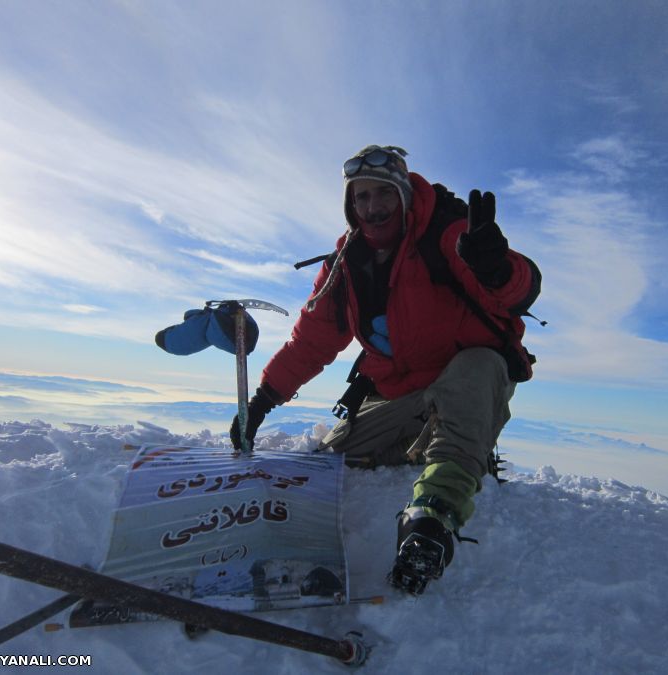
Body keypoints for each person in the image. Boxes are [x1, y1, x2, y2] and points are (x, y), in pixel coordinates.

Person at [230, 145, 541, 594]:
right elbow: (313, 339)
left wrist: (497, 268)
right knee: (340, 457)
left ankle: (433, 515)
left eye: (383, 194)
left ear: (403, 195)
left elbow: (514, 293)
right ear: (350, 205)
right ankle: (443, 437)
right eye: (361, 197)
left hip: (469, 379)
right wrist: (262, 401)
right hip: (402, 391)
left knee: (479, 363)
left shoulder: (449, 234)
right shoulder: (347, 261)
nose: (373, 207)